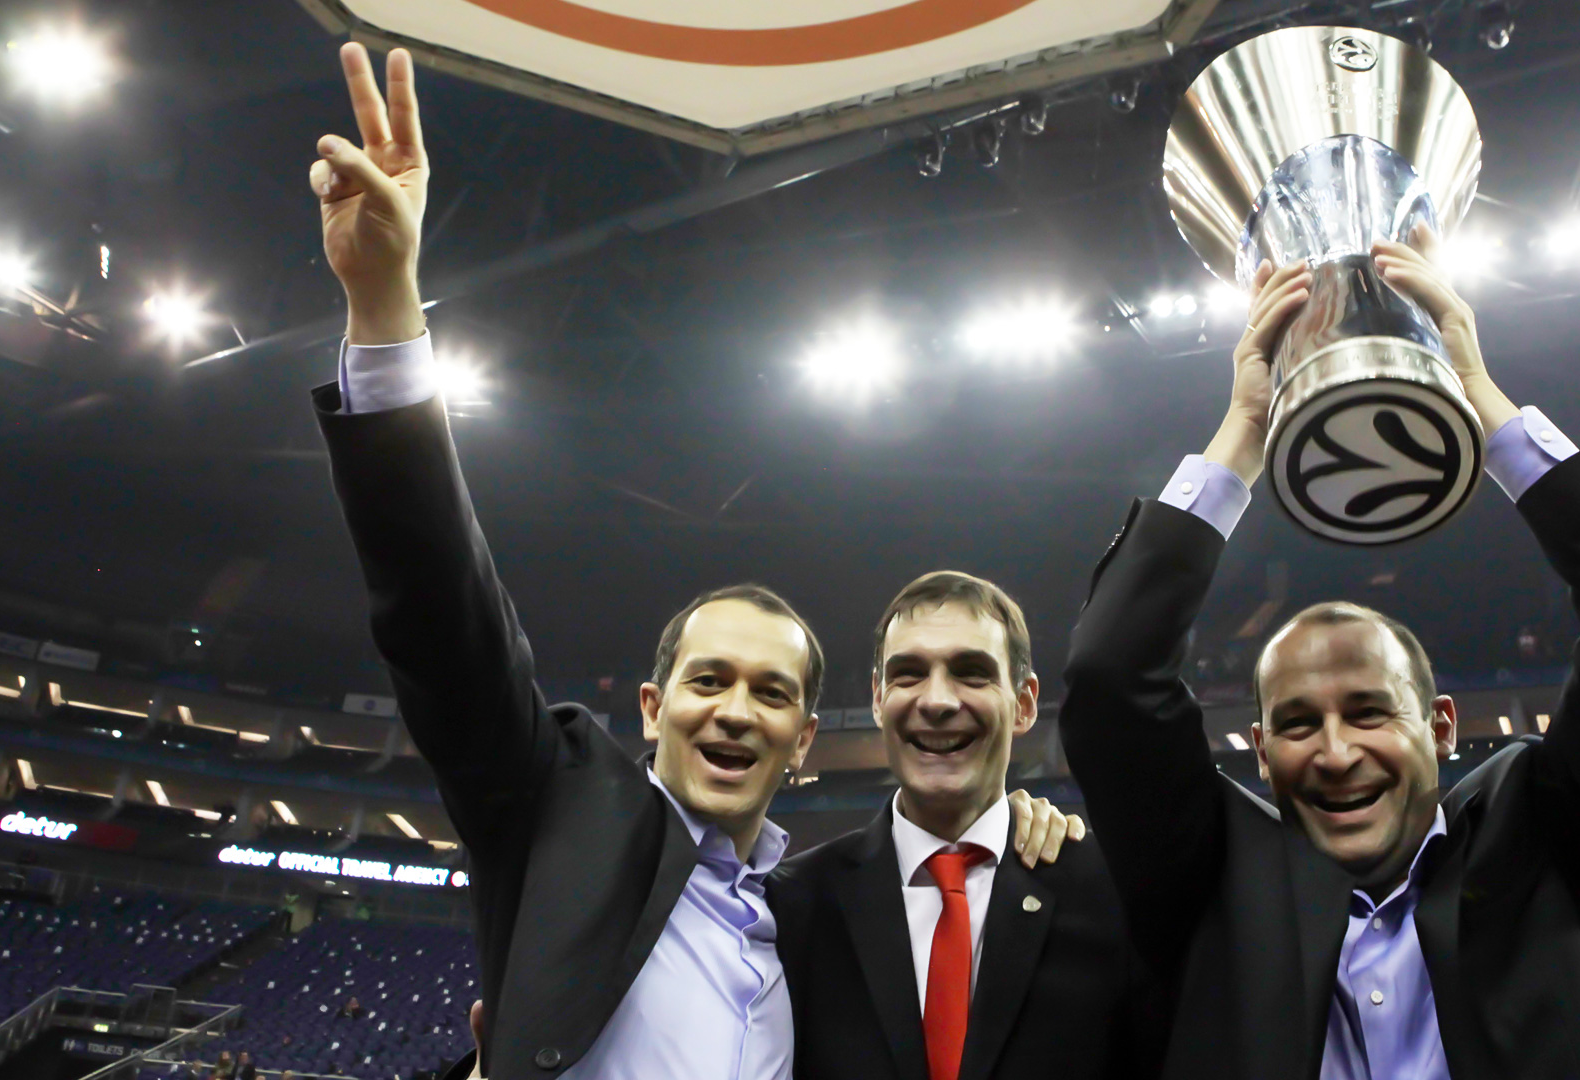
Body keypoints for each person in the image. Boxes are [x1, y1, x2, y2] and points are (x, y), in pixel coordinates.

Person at [306, 44, 1075, 1080]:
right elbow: (443, 615)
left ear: (805, 740)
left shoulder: (811, 920)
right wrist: (384, 307)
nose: (736, 712)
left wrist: (1017, 821)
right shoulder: (561, 814)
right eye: (709, 680)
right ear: (651, 707)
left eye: (771, 693)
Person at [1059, 234, 1580, 1079]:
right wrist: (1245, 433)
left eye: (1369, 711)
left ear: (1440, 726)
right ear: (1259, 751)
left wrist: (1476, 398)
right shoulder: (1210, 876)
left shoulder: (1543, 840)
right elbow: (1109, 678)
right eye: (1298, 724)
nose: (1336, 753)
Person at [771, 572, 1157, 1080]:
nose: (937, 701)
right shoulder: (793, 904)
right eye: (908, 673)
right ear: (877, 699)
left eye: (972, 673)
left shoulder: (1113, 893)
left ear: (1024, 704)